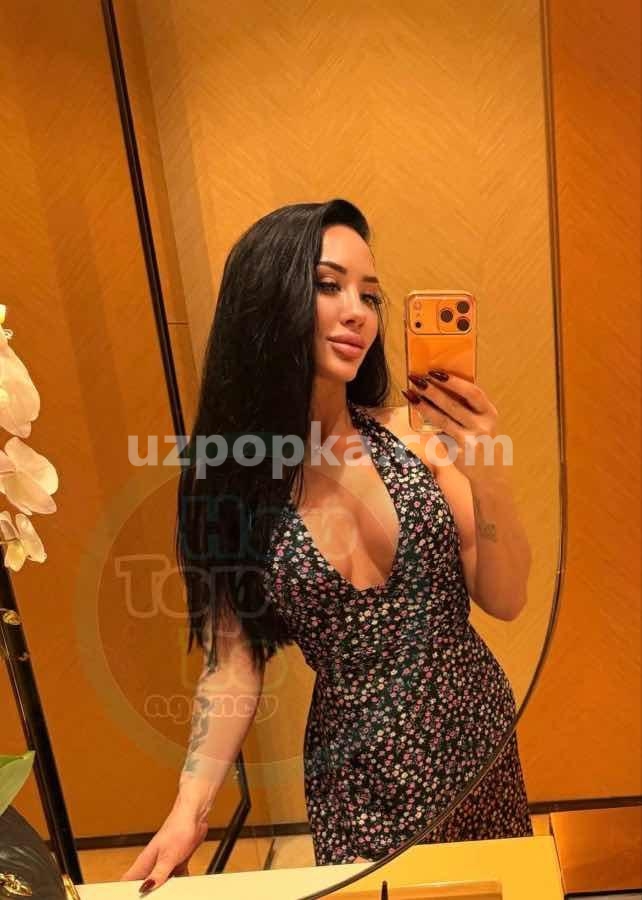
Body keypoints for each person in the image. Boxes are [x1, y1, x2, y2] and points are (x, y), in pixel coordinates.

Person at [121, 198, 533, 894]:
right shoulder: (230, 482)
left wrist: (487, 472)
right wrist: (190, 812)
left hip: (475, 737)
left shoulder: (414, 438)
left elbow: (506, 598)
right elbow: (232, 663)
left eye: (369, 294)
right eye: (328, 285)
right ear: (268, 298)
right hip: (357, 774)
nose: (358, 313)